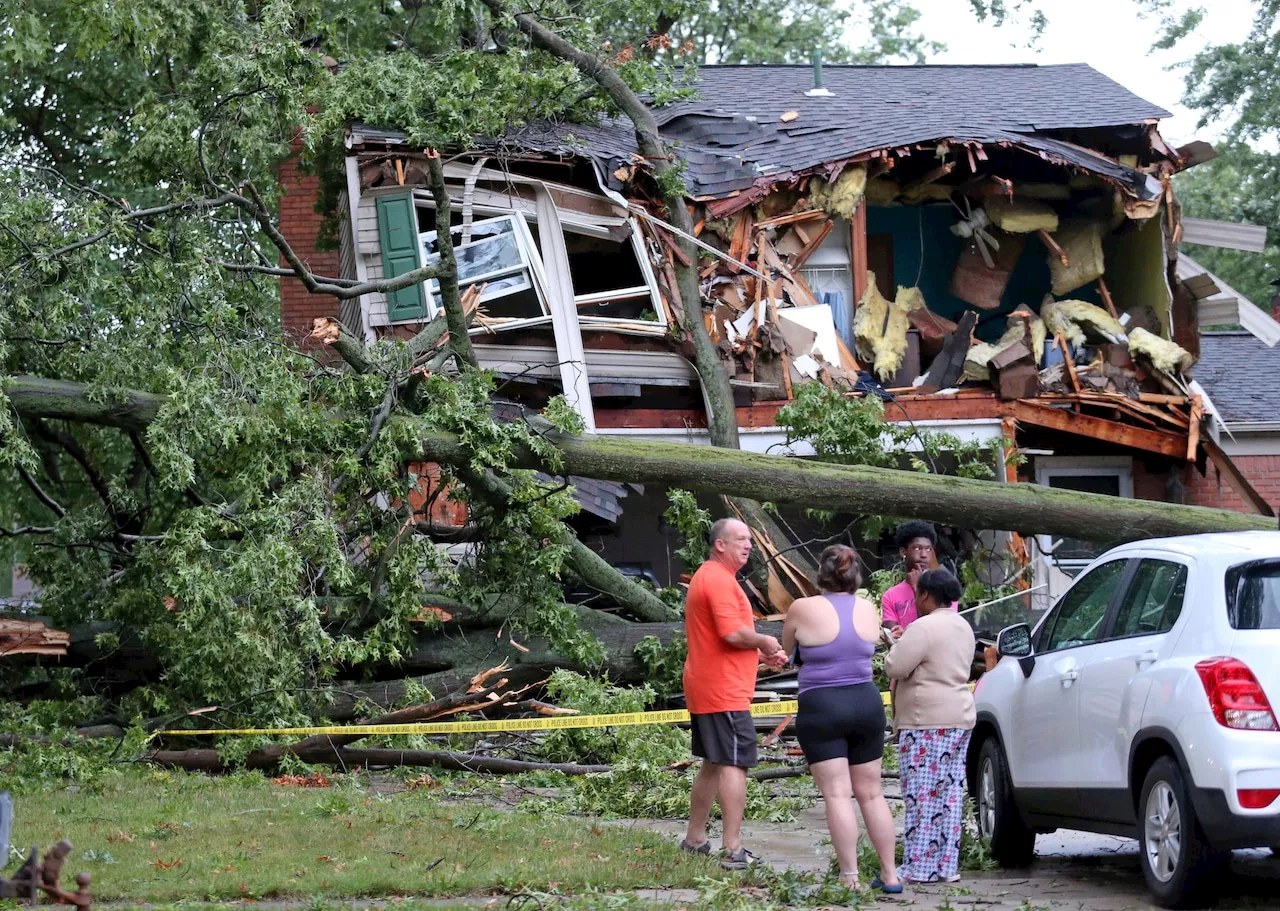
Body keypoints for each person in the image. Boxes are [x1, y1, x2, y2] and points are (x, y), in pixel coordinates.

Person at [782, 545, 902, 893]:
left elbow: (790, 653)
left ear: (821, 572)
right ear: (855, 575)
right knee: (872, 793)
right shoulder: (869, 608)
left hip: (822, 705)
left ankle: (850, 877)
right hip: (866, 703)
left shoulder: (801, 608)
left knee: (837, 794)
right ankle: (891, 875)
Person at [681, 518, 787, 869]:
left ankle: (695, 840)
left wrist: (761, 655)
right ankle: (733, 849)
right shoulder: (717, 579)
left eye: (750, 540)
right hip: (721, 689)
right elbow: (731, 634)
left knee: (713, 763)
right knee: (735, 762)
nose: (748, 545)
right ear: (719, 545)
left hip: (710, 683)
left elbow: (722, 638)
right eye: (740, 539)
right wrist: (765, 640)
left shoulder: (713, 576)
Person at [884, 568, 976, 885]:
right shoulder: (963, 626)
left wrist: (891, 644)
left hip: (926, 721)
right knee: (948, 795)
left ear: (924, 595)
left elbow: (895, 665)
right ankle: (945, 865)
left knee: (921, 795)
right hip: (959, 716)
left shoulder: (922, 627)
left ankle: (919, 867)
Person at [881, 521, 958, 641]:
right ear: (903, 552)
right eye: (917, 548)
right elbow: (892, 640)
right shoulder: (890, 596)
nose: (923, 555)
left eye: (928, 549)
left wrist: (917, 588)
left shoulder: (944, 588)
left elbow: (944, 630)